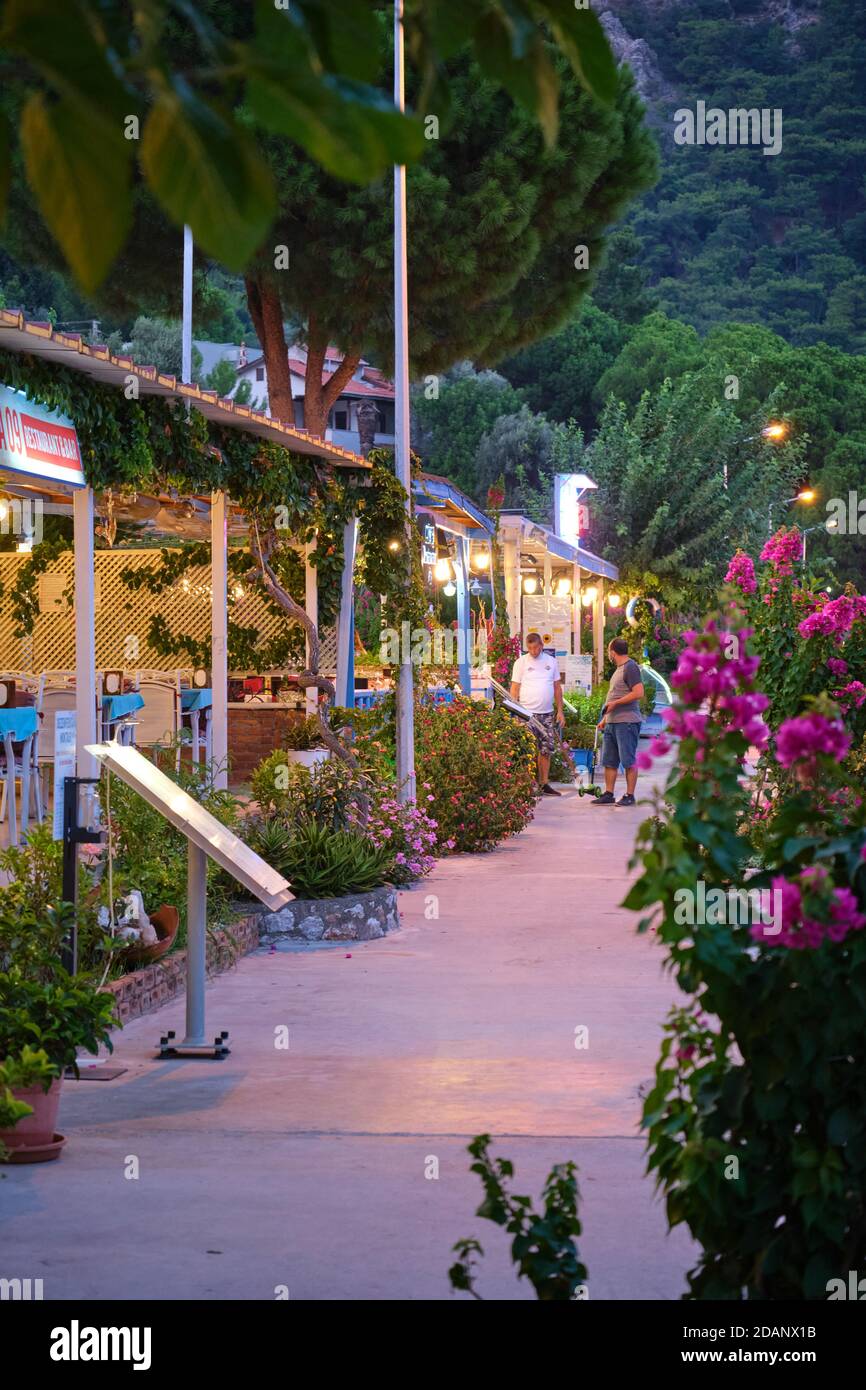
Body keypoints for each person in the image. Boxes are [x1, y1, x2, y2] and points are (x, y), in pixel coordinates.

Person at [591, 637, 645, 807]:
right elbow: (615, 694)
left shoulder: (631, 667)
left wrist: (615, 704)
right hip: (613, 722)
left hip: (626, 722)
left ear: (612, 652)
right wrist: (605, 718)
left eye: (609, 651)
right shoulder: (619, 669)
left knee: (628, 760)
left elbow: (638, 692)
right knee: (609, 760)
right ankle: (609, 793)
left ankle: (630, 795)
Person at [510, 632, 565, 796]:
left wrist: (560, 711)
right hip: (526, 714)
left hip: (546, 714)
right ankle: (527, 785)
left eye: (536, 647)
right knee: (527, 749)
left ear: (541, 645)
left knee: (545, 749)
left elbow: (557, 687)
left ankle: (544, 783)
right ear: (527, 647)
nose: (533, 651)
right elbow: (515, 688)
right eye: (530, 648)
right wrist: (514, 713)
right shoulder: (520, 663)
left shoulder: (551, 662)